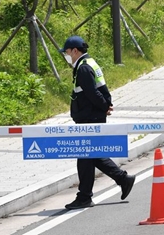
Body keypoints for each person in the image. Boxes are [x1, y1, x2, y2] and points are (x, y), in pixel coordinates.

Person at [60, 35, 135, 210]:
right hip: (91, 115)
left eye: (67, 52)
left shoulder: (84, 68)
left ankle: (85, 196)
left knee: (85, 156)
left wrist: (104, 107)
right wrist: (104, 107)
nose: (66, 55)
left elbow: (93, 93)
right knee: (91, 155)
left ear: (75, 51)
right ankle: (122, 179)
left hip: (90, 117)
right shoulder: (87, 64)